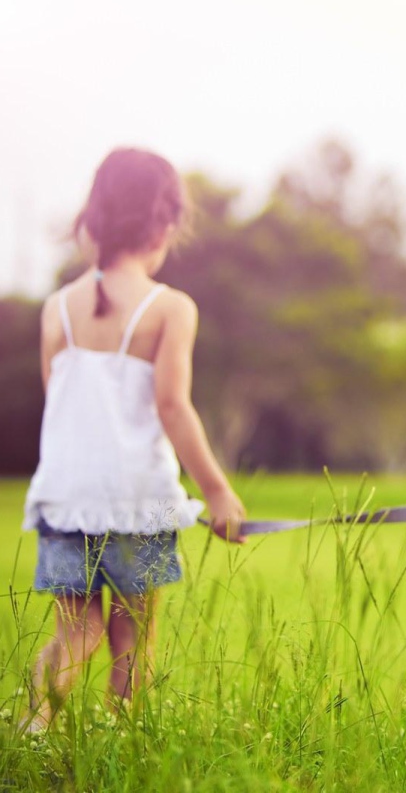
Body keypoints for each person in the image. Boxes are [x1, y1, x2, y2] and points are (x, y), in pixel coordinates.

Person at [23, 147, 246, 730]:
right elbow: (173, 407)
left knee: (76, 632)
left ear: (92, 222)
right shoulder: (170, 308)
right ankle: (123, 740)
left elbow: (58, 404)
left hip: (65, 499)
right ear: (164, 226)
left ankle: (32, 727)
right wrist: (217, 492)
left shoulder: (56, 309)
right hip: (141, 504)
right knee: (133, 637)